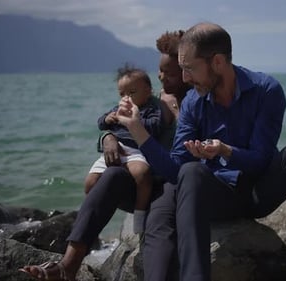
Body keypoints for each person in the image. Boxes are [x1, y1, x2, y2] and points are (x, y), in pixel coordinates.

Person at [115, 22, 286, 281]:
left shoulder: (266, 90)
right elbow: (175, 171)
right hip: (220, 197)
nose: (185, 79)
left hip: (260, 191)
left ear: (217, 62)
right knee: (191, 172)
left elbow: (262, 159)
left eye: (189, 69)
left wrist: (226, 151)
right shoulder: (194, 101)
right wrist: (138, 130)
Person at [18, 30, 189, 281]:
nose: (162, 77)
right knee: (110, 176)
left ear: (188, 69)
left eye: (171, 73)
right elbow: (116, 126)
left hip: (168, 187)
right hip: (139, 180)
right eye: (160, 71)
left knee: (158, 228)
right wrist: (106, 138)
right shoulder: (148, 98)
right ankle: (68, 266)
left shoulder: (197, 101)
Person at [83, 64, 162, 235]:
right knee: (90, 183)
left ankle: (140, 214)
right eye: (122, 94)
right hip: (116, 147)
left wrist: (136, 119)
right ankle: (93, 220)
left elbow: (155, 127)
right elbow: (100, 123)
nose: (126, 98)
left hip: (137, 150)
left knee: (142, 175)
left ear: (148, 91)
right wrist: (108, 118)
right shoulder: (118, 109)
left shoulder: (151, 109)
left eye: (132, 93)